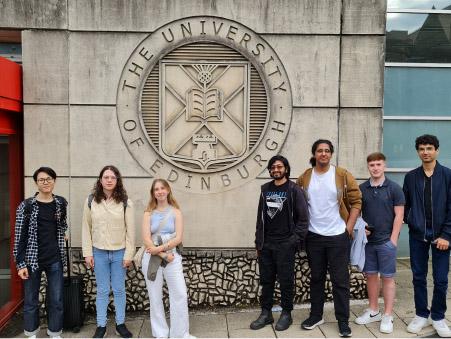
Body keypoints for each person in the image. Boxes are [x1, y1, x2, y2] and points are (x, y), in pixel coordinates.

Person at [297, 139, 361, 338]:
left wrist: (348, 228)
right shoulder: (305, 177)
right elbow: (298, 205)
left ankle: (343, 321)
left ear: (331, 154)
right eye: (319, 151)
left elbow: (357, 201)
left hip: (337, 236)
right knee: (316, 279)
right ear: (314, 154)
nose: (323, 154)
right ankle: (316, 315)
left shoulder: (342, 175)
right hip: (314, 236)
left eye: (326, 151)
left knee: (340, 280)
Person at [250, 155, 309, 331]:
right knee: (266, 280)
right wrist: (258, 243)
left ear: (286, 169)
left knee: (285, 281)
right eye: (273, 167)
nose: (276, 170)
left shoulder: (294, 189)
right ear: (270, 170)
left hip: (286, 244)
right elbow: (260, 219)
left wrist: (293, 241)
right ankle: (266, 313)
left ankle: (286, 314)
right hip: (266, 244)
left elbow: (304, 220)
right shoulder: (265, 189)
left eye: (279, 167)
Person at [403, 134, 451, 337]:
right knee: (418, 277)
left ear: (437, 150)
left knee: (440, 279)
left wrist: (447, 235)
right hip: (418, 236)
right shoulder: (411, 176)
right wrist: (412, 221)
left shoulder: (448, 175)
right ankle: (422, 314)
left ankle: (438, 316)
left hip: (442, 236)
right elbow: (404, 205)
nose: (425, 152)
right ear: (417, 152)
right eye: (422, 148)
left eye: (429, 148)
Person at [13, 167, 68, 338]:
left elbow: (62, 223)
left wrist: (64, 232)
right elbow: (18, 236)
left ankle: (55, 332)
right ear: (36, 182)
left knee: (56, 300)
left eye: (49, 179)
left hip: (55, 259)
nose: (46, 182)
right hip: (31, 260)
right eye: (42, 180)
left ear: (54, 181)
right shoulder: (26, 206)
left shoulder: (61, 203)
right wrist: (20, 263)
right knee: (31, 300)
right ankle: (31, 333)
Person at [82, 165, 135, 338]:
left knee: (119, 289)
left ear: (117, 180)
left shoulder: (125, 202)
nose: (109, 180)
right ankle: (101, 326)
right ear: (100, 180)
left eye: (113, 177)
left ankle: (120, 324)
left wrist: (129, 255)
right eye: (106, 177)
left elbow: (130, 230)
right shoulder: (91, 200)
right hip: (99, 252)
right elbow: (86, 228)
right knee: (103, 290)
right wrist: (88, 253)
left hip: (119, 252)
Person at [354, 152, 405, 334]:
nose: (375, 168)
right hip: (368, 243)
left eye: (378, 164)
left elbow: (399, 216)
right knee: (370, 276)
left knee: (388, 278)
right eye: (372, 165)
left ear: (384, 166)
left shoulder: (394, 188)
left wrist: (393, 240)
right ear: (368, 167)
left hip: (386, 242)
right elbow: (357, 214)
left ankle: (388, 314)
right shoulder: (362, 188)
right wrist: (362, 229)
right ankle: (374, 310)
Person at [141, 179, 194, 338]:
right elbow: (146, 240)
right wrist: (162, 253)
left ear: (168, 190)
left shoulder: (176, 212)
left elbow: (178, 238)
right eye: (156, 189)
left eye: (162, 188)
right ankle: (161, 333)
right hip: (152, 259)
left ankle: (180, 334)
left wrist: (161, 249)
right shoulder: (148, 213)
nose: (160, 191)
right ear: (153, 193)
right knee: (155, 296)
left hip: (173, 257)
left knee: (179, 294)